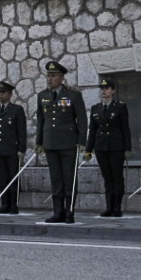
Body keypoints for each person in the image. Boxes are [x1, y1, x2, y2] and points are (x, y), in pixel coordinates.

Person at [35, 61, 87, 224]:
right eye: (48, 76)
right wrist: (39, 141)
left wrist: (81, 141)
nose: (50, 79)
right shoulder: (43, 96)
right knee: (56, 178)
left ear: (62, 78)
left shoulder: (73, 95)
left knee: (69, 178)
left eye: (54, 76)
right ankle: (58, 212)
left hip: (68, 142)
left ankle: (69, 212)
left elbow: (82, 120)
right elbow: (41, 120)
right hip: (50, 143)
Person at [84, 77, 132, 218]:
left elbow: (125, 129)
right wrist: (88, 150)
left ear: (113, 91)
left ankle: (117, 208)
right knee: (107, 178)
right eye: (102, 89)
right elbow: (92, 131)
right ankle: (109, 207)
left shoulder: (120, 107)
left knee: (117, 177)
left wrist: (128, 148)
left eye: (107, 88)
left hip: (116, 147)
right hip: (101, 147)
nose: (104, 91)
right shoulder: (96, 108)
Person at [0, 81, 27, 215]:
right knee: (2, 178)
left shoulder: (16, 110)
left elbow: (21, 131)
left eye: (3, 92)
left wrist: (22, 149)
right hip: (0, 149)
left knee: (13, 178)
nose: (1, 95)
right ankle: (5, 204)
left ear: (10, 95)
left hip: (12, 149)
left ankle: (14, 205)